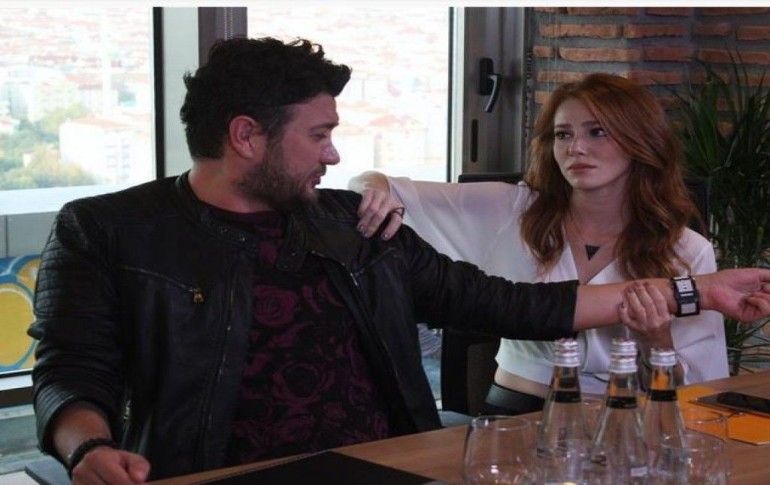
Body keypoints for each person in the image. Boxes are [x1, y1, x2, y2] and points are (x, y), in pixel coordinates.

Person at [28, 38, 770, 484]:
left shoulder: (351, 224)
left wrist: (697, 291)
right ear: (248, 136)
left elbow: (516, 305)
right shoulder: (106, 229)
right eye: (319, 136)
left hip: (388, 463)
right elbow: (69, 372)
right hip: (219, 470)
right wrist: (87, 445)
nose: (335, 156)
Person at [350, 73, 742, 413]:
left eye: (597, 132)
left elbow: (698, 391)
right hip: (514, 414)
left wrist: (655, 340)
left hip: (623, 423)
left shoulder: (687, 250)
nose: (576, 148)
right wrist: (374, 191)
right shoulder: (511, 209)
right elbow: (376, 185)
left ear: (640, 141)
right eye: (563, 134)